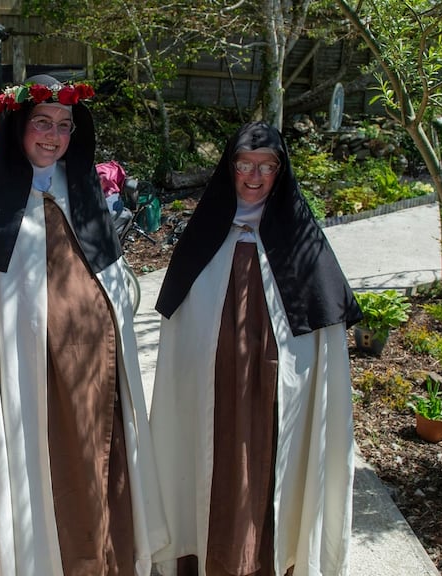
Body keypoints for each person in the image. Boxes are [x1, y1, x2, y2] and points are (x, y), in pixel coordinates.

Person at [0, 75, 167, 576]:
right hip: (30, 385)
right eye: (43, 122)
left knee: (98, 467)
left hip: (94, 380)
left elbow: (117, 284)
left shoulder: (82, 196)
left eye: (64, 125)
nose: (53, 136)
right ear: (19, 126)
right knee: (44, 474)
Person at [149, 121, 362, 576]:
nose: (253, 176)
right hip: (212, 398)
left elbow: (324, 342)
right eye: (244, 164)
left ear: (281, 173)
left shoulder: (304, 249)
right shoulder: (202, 240)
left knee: (265, 475)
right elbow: (179, 334)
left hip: (273, 402)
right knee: (211, 467)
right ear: (229, 169)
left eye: (267, 166)